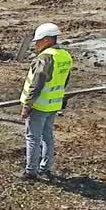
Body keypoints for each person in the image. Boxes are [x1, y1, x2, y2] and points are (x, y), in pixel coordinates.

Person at [19, 23, 74, 181]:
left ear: (48, 39)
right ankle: (46, 167)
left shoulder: (45, 58)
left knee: (33, 138)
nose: (36, 44)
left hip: (39, 105)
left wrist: (27, 105)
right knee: (47, 136)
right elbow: (65, 80)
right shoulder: (64, 56)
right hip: (53, 104)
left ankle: (31, 171)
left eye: (39, 40)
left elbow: (37, 84)